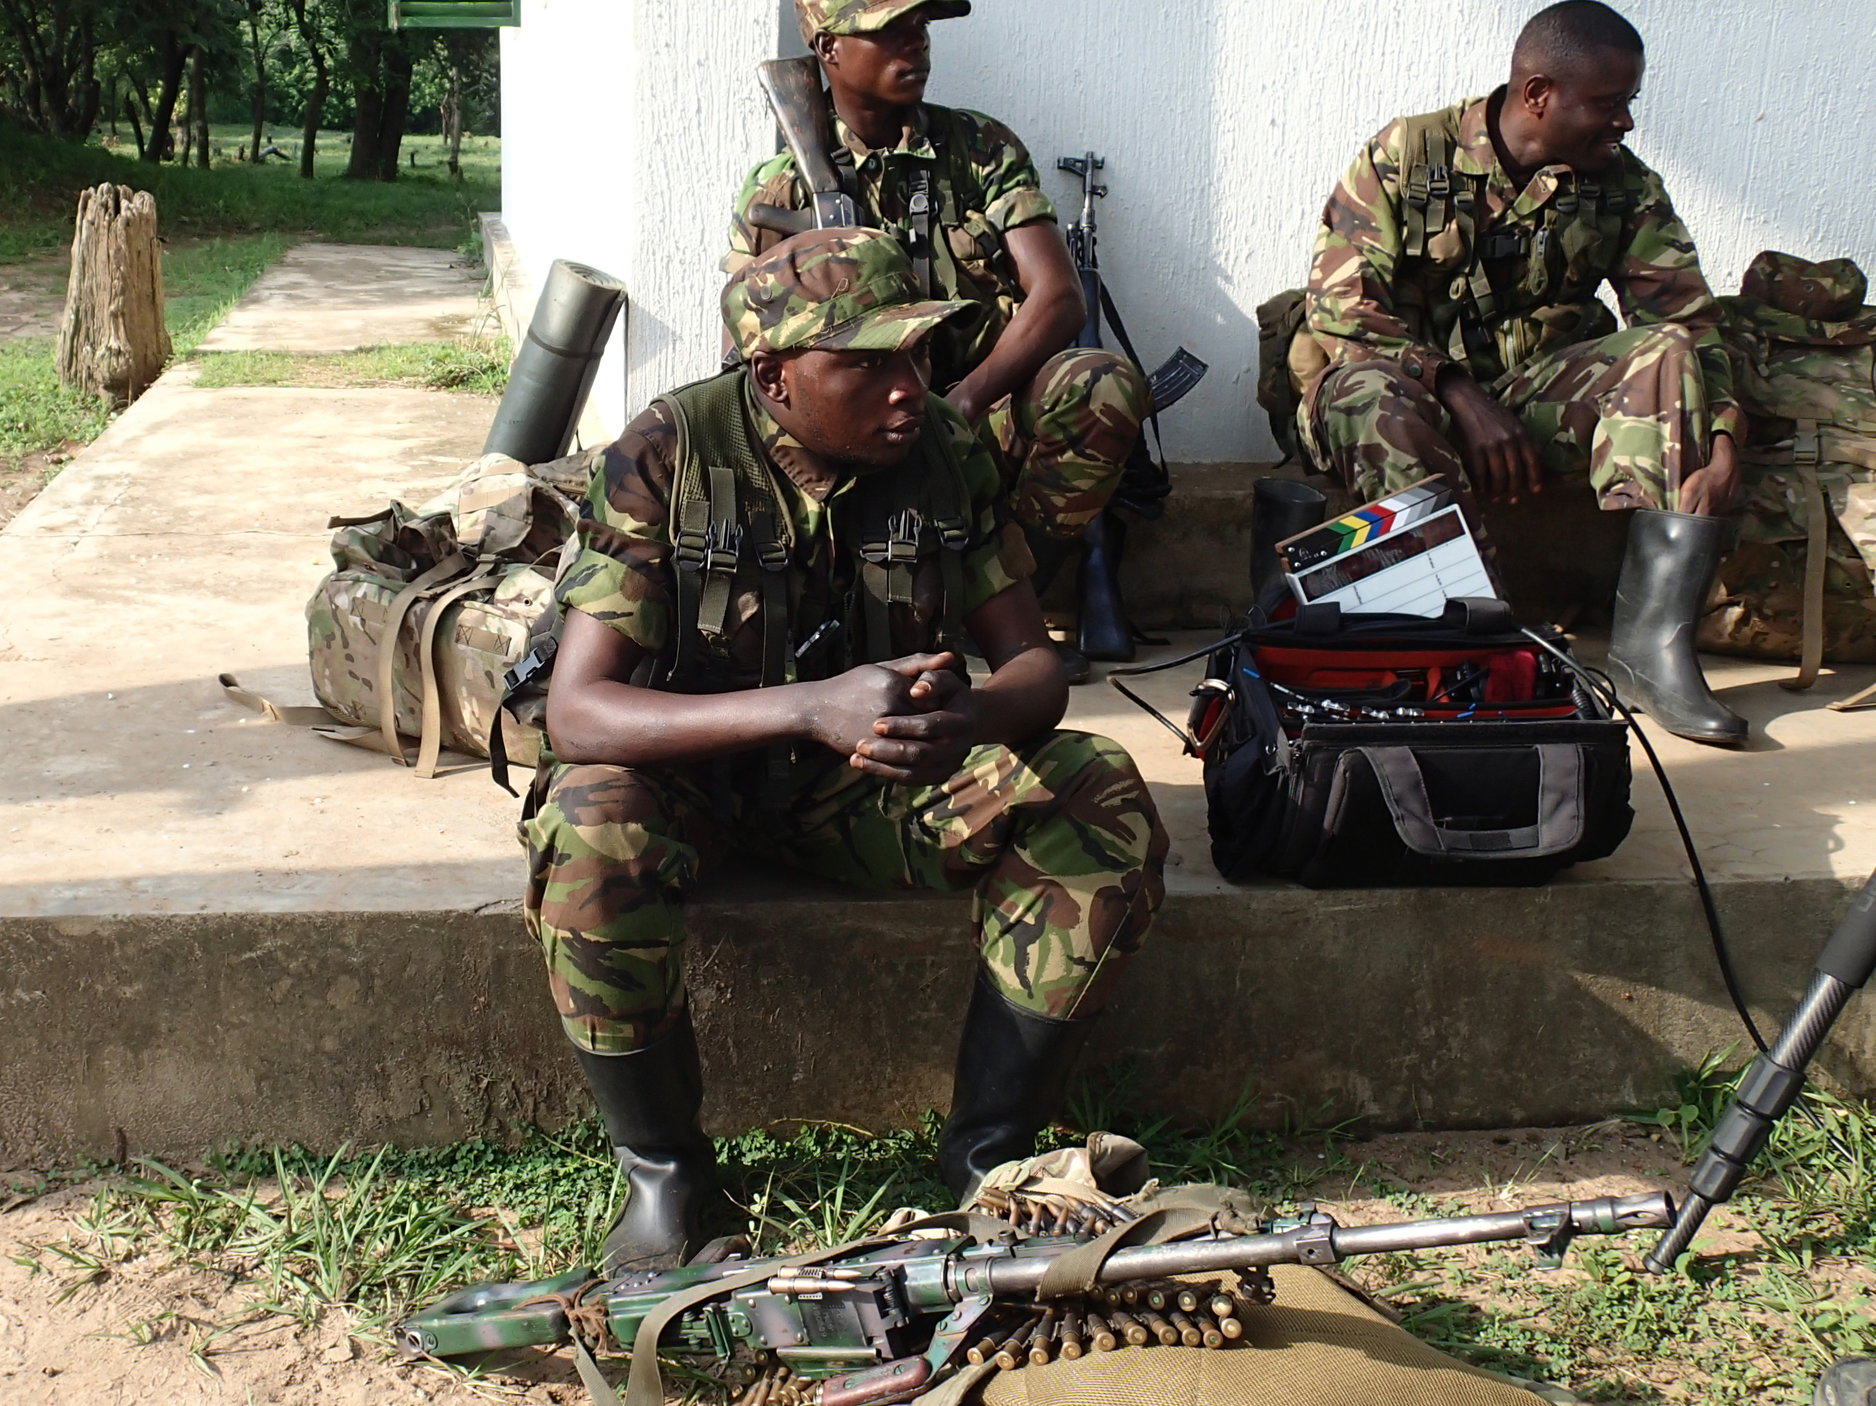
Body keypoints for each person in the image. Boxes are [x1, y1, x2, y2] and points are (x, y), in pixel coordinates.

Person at [525, 226, 1170, 1275]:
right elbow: (580, 714)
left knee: (1094, 786)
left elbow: (1036, 670)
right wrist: (806, 706)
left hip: (871, 798)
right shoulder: (668, 451)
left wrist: (964, 719)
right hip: (691, 786)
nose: (908, 387)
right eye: (866, 364)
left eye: (913, 357)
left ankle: (987, 1157)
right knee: (590, 818)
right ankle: (667, 1174)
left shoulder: (942, 455)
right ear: (773, 377)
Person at [1295, 0, 1752, 745]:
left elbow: (1690, 323)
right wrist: (1457, 391)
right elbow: (1341, 310)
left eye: (1628, 105)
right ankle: (1464, 646)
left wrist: (1725, 437)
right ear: (1538, 94)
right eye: (1609, 105)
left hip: (1525, 401)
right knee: (1371, 396)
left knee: (1665, 350)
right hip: (1392, 394)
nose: (1625, 124)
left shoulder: (1623, 186)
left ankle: (1650, 653)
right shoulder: (1408, 155)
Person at [729, 0, 1147, 680]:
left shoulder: (979, 149)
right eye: (889, 31)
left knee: (1101, 385)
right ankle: (856, 624)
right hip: (861, 425)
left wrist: (967, 399)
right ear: (830, 49)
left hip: (982, 410)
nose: (915, 46)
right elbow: (749, 349)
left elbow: (1059, 295)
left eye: (920, 29)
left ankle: (994, 613)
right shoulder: (780, 186)